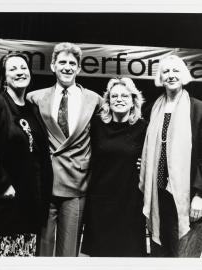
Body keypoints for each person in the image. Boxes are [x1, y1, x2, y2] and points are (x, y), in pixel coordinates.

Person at [0, 52, 53, 256]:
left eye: (23, 68)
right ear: (4, 77)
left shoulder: (33, 109)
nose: (20, 72)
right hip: (0, 204)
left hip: (28, 206)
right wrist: (3, 184)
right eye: (13, 69)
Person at [26, 42, 103, 256]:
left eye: (72, 63)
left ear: (79, 68)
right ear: (53, 66)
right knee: (43, 247)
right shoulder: (35, 97)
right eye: (62, 62)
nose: (67, 67)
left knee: (69, 251)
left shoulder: (95, 100)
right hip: (47, 180)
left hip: (77, 181)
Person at [139, 55, 202, 257]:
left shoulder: (197, 108)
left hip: (187, 196)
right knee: (160, 255)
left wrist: (200, 195)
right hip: (158, 195)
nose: (171, 75)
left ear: (183, 75)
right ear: (160, 77)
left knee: (184, 255)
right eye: (166, 71)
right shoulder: (153, 109)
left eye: (175, 71)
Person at [81, 77, 147, 257]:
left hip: (130, 204)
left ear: (134, 101)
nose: (119, 99)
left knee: (129, 257)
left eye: (125, 96)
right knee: (99, 257)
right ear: (108, 101)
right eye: (114, 96)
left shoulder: (143, 127)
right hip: (100, 203)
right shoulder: (96, 125)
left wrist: (145, 164)